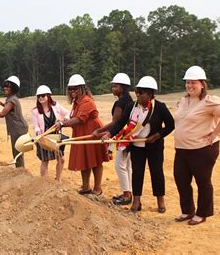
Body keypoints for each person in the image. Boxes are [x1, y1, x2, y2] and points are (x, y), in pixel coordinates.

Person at [103, 76, 174, 213]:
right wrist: (109, 134)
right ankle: (136, 201)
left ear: (151, 94)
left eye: (142, 92)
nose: (138, 95)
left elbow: (171, 125)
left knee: (157, 172)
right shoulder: (132, 107)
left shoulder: (160, 107)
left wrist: (157, 136)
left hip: (154, 146)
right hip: (136, 146)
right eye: (137, 91)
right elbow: (120, 123)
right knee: (137, 173)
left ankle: (160, 201)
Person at [173, 66, 220, 225]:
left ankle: (202, 213)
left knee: (203, 181)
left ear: (202, 84)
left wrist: (215, 133)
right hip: (182, 149)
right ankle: (187, 211)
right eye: (187, 82)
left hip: (202, 149)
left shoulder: (208, 102)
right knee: (181, 180)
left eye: (193, 82)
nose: (189, 86)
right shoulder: (183, 101)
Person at [55, 74, 109, 196]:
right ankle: (85, 187)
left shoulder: (87, 101)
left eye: (75, 88)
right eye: (70, 89)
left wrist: (63, 124)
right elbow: (74, 116)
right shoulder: (76, 102)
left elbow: (80, 119)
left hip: (92, 132)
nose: (73, 91)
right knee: (85, 160)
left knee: (95, 160)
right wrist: (63, 120)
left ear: (82, 88)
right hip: (81, 132)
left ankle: (97, 189)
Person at [93, 73, 134, 205]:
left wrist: (100, 131)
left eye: (115, 86)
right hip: (131, 135)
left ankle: (127, 195)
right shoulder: (130, 100)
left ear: (122, 88)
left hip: (123, 136)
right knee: (127, 166)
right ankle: (129, 192)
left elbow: (116, 122)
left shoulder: (120, 103)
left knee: (120, 165)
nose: (113, 88)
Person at [0, 76, 28, 168]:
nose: (5, 88)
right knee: (17, 151)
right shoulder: (11, 99)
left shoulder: (12, 100)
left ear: (13, 88)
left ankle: (20, 171)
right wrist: (3, 104)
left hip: (18, 129)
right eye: (5, 86)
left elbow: (2, 114)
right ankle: (20, 169)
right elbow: (10, 109)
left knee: (17, 152)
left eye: (8, 86)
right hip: (18, 128)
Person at [31, 85, 70, 181]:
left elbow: (68, 113)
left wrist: (66, 119)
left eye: (43, 95)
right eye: (39, 96)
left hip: (56, 137)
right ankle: (44, 182)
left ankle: (58, 179)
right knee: (45, 161)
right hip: (43, 138)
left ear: (48, 96)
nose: (40, 98)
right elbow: (35, 126)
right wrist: (38, 132)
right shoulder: (35, 111)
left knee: (61, 159)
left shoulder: (55, 106)